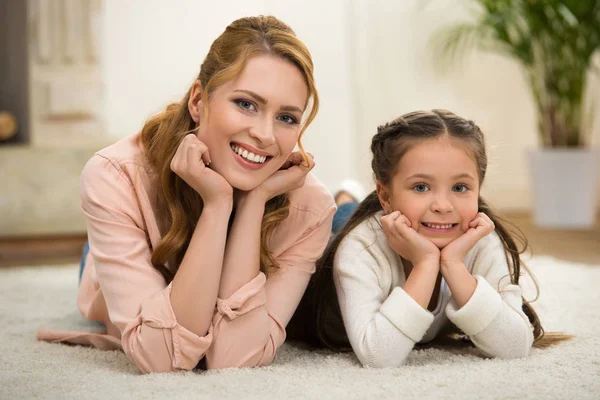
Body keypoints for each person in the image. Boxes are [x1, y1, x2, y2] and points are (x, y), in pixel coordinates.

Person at [37, 15, 337, 374]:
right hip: (137, 246)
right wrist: (217, 204)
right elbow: (162, 358)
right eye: (246, 104)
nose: (265, 135)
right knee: (95, 261)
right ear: (198, 101)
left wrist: (253, 203)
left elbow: (232, 360)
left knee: (347, 227)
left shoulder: (312, 208)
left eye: (286, 118)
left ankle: (349, 196)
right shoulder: (117, 178)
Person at [287, 109, 570, 367]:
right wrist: (425, 264)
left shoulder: (479, 238)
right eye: (421, 187)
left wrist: (453, 265)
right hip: (340, 237)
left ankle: (349, 199)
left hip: (396, 216)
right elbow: (378, 356)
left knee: (351, 212)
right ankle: (346, 199)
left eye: (460, 187)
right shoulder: (361, 247)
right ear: (385, 194)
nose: (443, 205)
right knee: (341, 221)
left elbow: (515, 346)